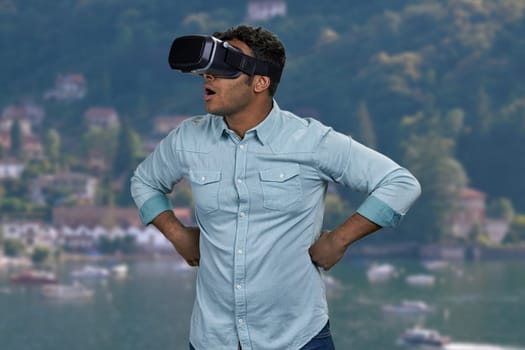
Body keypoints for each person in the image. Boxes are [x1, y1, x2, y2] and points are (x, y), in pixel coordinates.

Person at [130, 25, 421, 350]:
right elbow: (144, 181)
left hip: (297, 339)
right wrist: (178, 235)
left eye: (224, 67)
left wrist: (339, 240)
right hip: (212, 340)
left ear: (260, 82)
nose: (208, 77)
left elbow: (400, 183)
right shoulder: (188, 138)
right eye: (208, 70)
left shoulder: (311, 141)